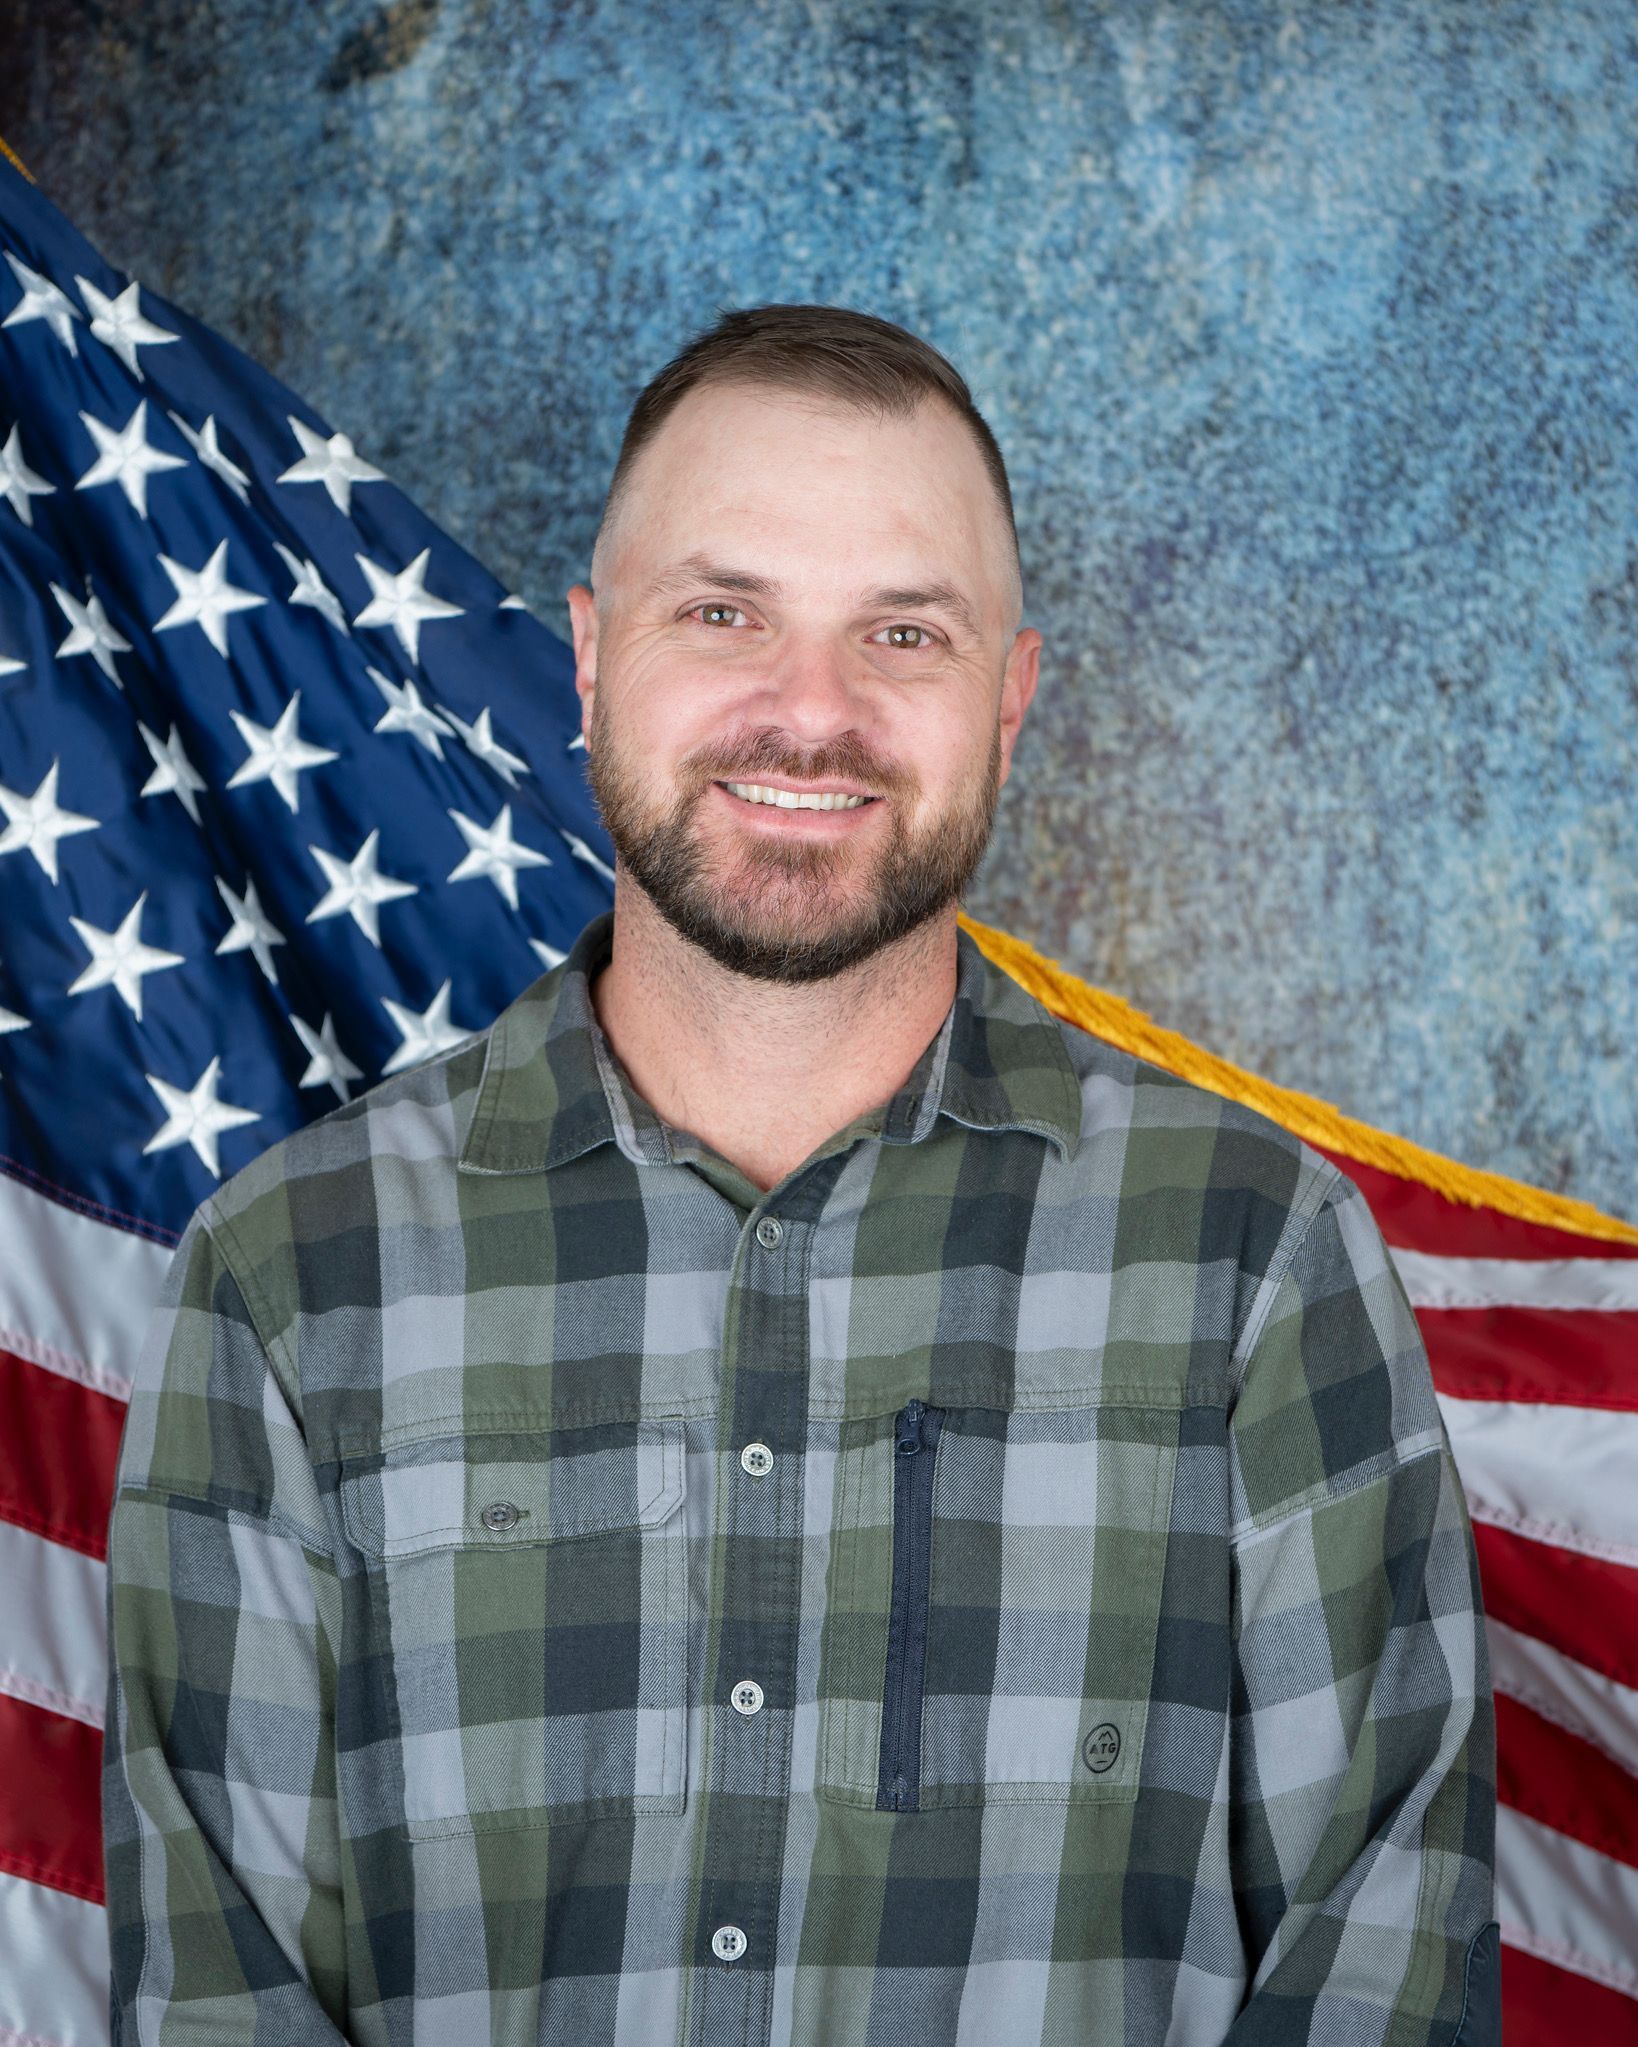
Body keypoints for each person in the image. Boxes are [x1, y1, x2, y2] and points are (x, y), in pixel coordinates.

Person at [103, 304, 1498, 2045]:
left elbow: (1378, 1965)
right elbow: (218, 1993)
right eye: (724, 612)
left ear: (1009, 697)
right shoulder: (293, 1274)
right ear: (592, 657)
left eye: (900, 632)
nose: (809, 712)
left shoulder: (1251, 1259)